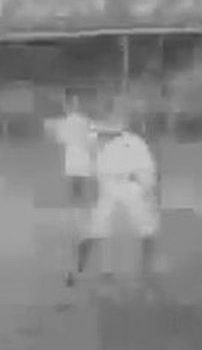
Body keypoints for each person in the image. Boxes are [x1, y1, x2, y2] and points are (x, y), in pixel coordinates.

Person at [65, 111, 160, 291]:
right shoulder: (91, 143)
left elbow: (147, 169)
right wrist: (79, 194)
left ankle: (147, 272)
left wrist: (148, 190)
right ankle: (77, 270)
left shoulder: (133, 142)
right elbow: (79, 169)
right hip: (107, 186)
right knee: (94, 229)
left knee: (147, 227)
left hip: (132, 185)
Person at [48, 94, 96, 204]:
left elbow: (60, 140)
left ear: (67, 107)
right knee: (80, 176)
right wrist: (93, 151)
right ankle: (79, 197)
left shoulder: (63, 122)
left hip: (71, 151)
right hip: (82, 150)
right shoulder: (85, 120)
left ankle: (75, 197)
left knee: (73, 176)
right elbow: (92, 138)